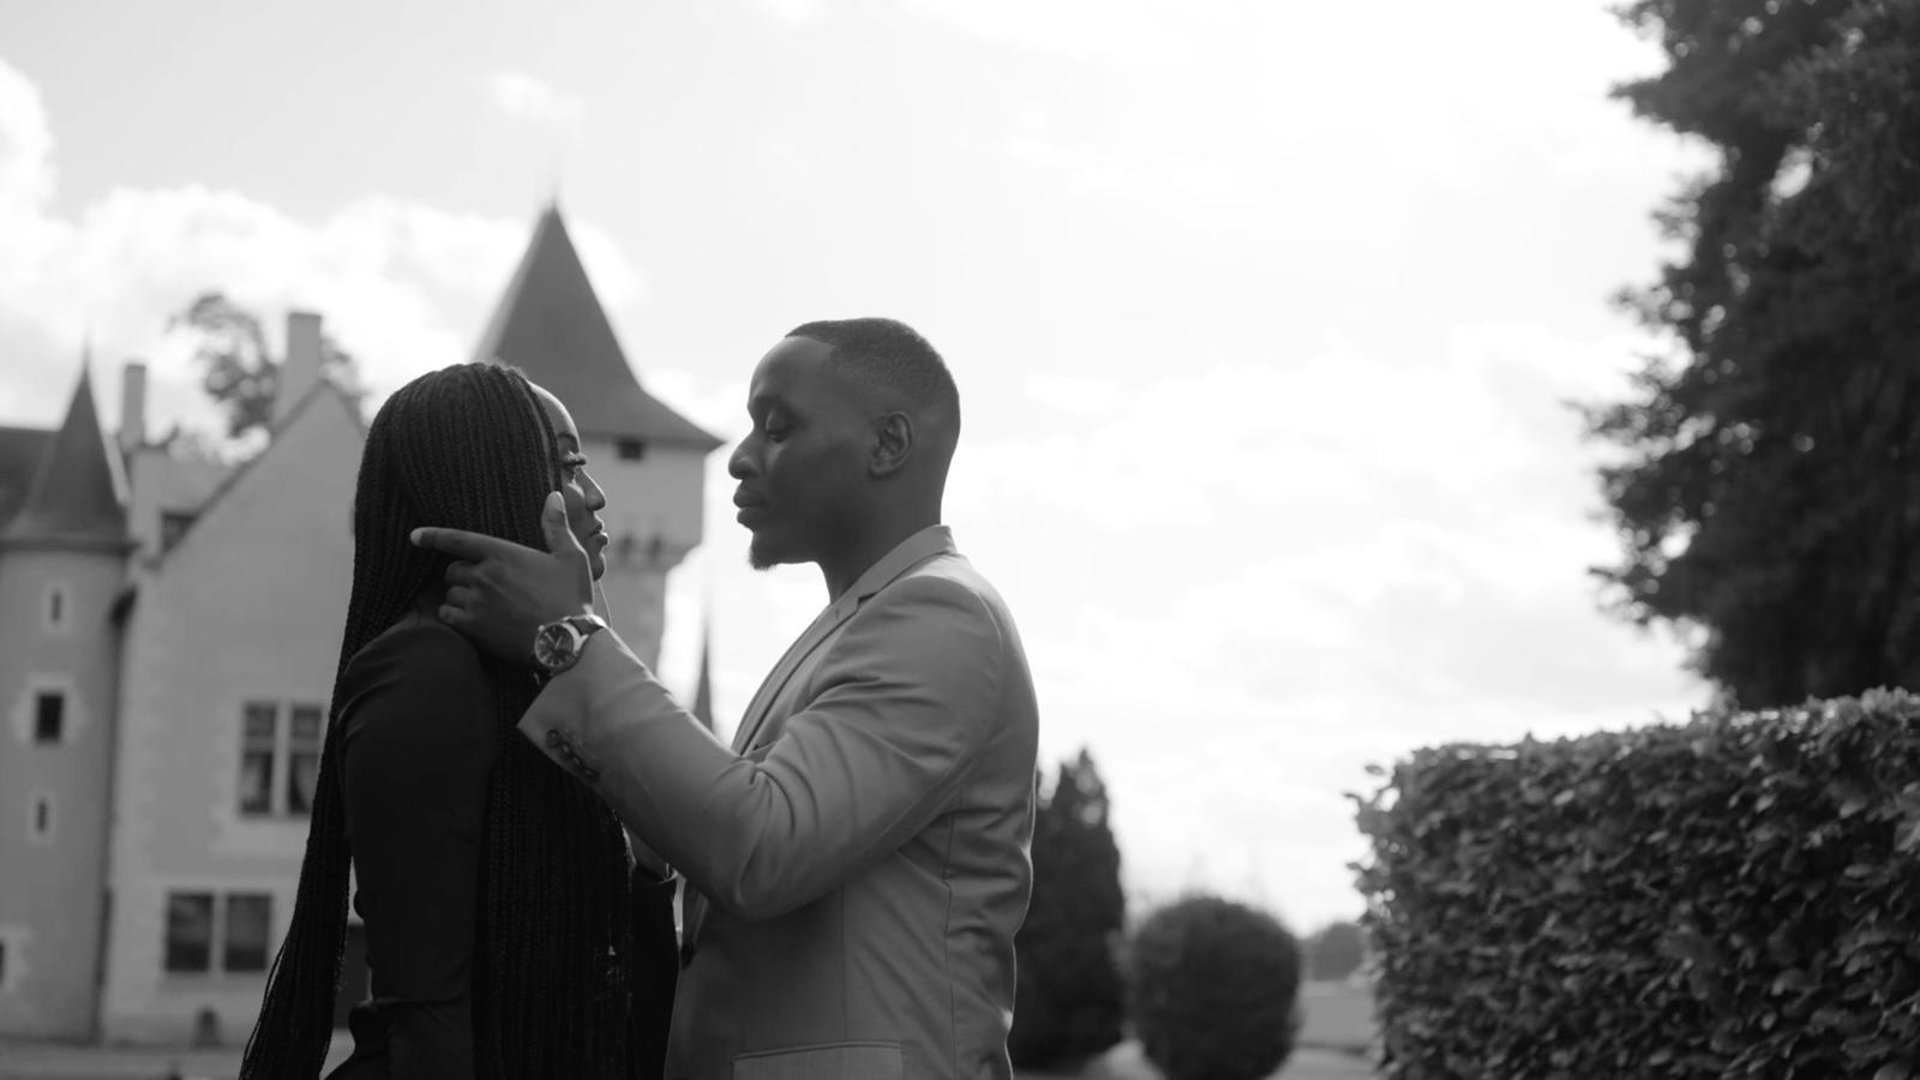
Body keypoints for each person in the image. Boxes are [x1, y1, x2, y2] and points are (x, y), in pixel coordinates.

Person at [412, 318, 1040, 1080]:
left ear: (888, 445)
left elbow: (762, 848)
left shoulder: (941, 615)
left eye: (778, 428)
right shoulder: (858, 629)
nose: (740, 458)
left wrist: (567, 638)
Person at [239, 362, 678, 1080]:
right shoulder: (425, 672)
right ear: (494, 480)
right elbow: (427, 1016)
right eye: (568, 466)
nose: (595, 495)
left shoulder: (536, 673)